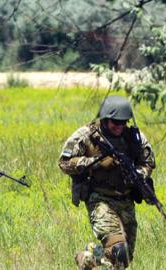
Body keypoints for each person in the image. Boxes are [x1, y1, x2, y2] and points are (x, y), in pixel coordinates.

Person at [58, 96, 156, 269]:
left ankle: (88, 257)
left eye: (123, 122)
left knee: (122, 260)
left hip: (126, 200)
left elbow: (148, 162)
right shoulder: (87, 135)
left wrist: (138, 174)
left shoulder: (134, 137)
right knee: (118, 249)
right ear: (104, 118)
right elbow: (64, 162)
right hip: (99, 199)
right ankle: (89, 256)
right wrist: (94, 163)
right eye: (115, 122)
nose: (119, 126)